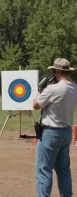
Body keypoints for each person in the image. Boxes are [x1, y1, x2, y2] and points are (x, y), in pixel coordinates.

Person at [33, 58, 77, 197]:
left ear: (57, 71)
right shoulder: (74, 87)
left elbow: (35, 105)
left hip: (51, 134)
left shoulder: (52, 89)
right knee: (63, 170)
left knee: (44, 170)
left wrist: (42, 90)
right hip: (66, 133)